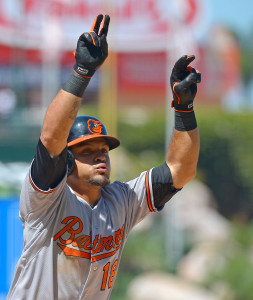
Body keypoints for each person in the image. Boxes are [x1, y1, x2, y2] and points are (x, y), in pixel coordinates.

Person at [7, 14, 201, 300]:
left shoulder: (121, 201)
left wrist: (184, 109)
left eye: (103, 150)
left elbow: (180, 170)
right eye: (87, 152)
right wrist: (82, 72)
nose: (100, 156)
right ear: (67, 161)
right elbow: (50, 139)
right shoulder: (46, 201)